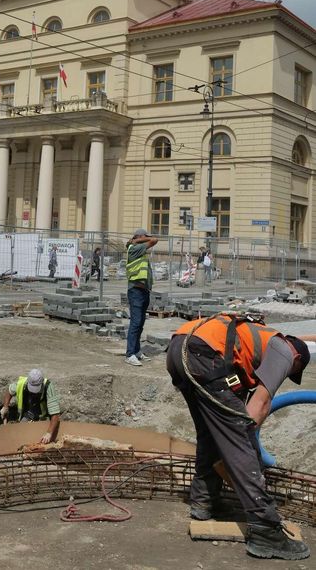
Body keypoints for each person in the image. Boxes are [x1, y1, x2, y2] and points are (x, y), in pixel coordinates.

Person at [166, 312, 313, 560]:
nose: (286, 374)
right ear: (297, 358)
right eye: (292, 372)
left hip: (179, 347)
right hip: (202, 353)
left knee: (211, 432)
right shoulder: (285, 351)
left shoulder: (252, 343)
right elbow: (260, 405)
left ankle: (204, 501)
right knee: (239, 439)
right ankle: (265, 530)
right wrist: (246, 447)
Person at [0, 368, 61, 444]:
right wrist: (5, 407)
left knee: (41, 440)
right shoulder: (21, 383)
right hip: (27, 414)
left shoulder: (48, 386)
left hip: (43, 418)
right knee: (22, 437)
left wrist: (49, 433)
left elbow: (55, 414)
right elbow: (9, 391)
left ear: (41, 383)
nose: (34, 393)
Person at [125, 228, 158, 366]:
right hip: (136, 292)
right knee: (136, 323)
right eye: (145, 236)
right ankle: (130, 354)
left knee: (140, 324)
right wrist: (139, 239)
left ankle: (137, 351)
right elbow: (154, 240)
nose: (147, 238)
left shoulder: (140, 250)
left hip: (143, 291)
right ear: (139, 237)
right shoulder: (134, 248)